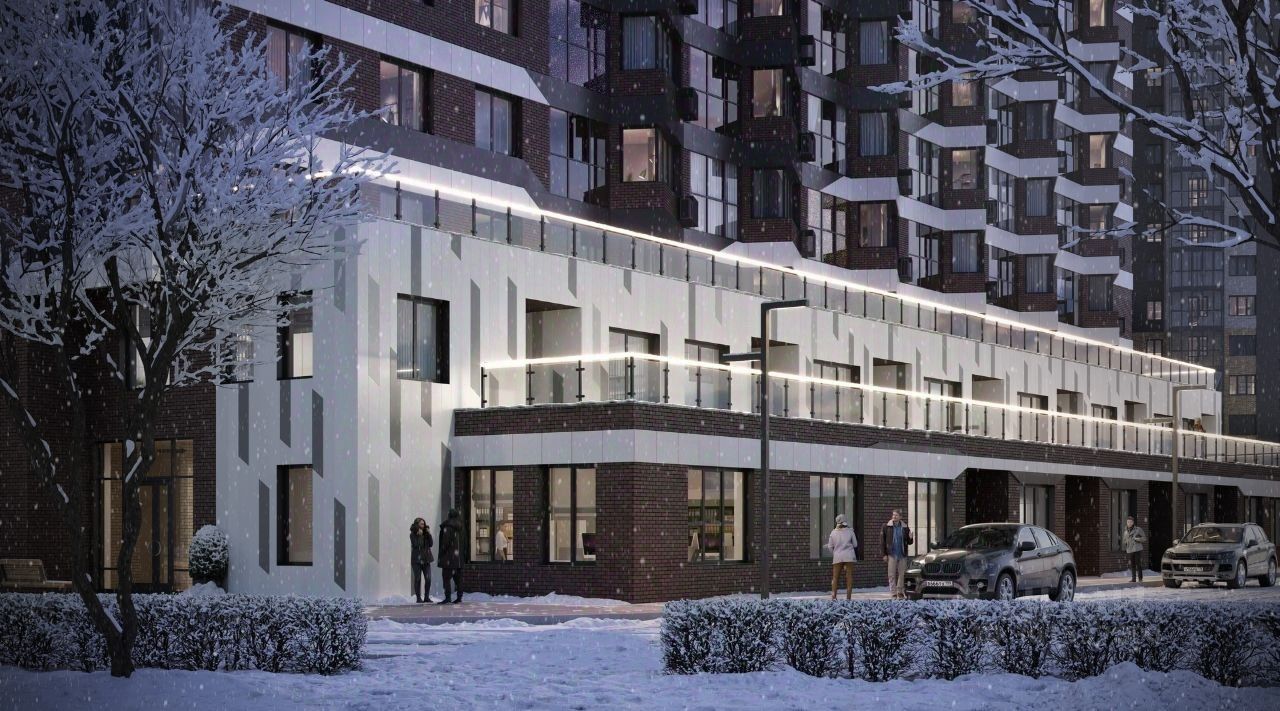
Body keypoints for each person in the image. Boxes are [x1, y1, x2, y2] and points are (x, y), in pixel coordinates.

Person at [881, 509, 913, 600]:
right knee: (891, 575)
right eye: (893, 515)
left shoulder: (905, 527)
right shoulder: (886, 526)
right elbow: (882, 541)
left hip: (902, 554)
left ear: (900, 517)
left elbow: (909, 542)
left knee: (902, 574)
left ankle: (900, 592)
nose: (894, 516)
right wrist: (884, 554)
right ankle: (893, 593)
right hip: (891, 554)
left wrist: (911, 538)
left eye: (896, 515)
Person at [825, 514, 858, 600]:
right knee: (849, 576)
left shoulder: (833, 532)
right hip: (849, 556)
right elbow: (855, 544)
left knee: (835, 577)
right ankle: (848, 598)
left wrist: (835, 553)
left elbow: (830, 546)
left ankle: (834, 596)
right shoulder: (850, 531)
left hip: (837, 556)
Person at [437, 508, 464, 604]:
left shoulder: (448, 527)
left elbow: (445, 543)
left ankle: (448, 597)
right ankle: (459, 597)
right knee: (458, 579)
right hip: (459, 559)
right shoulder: (460, 527)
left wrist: (442, 553)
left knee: (446, 578)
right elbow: (464, 543)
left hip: (448, 558)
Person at [410, 517, 434, 603]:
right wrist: (419, 535)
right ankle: (418, 598)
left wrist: (429, 534)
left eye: (424, 524)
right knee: (418, 579)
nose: (423, 525)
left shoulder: (426, 533)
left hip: (426, 559)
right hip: (416, 560)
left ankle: (426, 597)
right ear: (417, 524)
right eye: (421, 524)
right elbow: (417, 544)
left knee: (428, 579)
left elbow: (431, 544)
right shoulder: (413, 534)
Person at [1121, 515, 1147, 583]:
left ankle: (1140, 578)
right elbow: (1124, 540)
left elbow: (1144, 538)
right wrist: (1126, 542)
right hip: (1130, 550)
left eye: (1130, 522)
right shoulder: (1125, 531)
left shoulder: (1138, 529)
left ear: (1133, 522)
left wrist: (1137, 539)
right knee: (1132, 565)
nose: (1129, 523)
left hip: (1137, 549)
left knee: (1138, 564)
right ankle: (1133, 579)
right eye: (1128, 522)